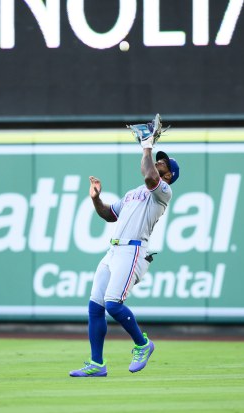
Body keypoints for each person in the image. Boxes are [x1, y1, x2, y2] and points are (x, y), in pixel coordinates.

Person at [69, 114, 180, 377]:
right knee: (95, 306)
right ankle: (97, 364)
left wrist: (147, 145)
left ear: (169, 175)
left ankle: (143, 344)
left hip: (133, 251)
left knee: (113, 304)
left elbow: (150, 176)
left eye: (163, 163)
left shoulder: (163, 191)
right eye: (158, 159)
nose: (158, 161)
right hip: (113, 250)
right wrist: (96, 199)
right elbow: (110, 215)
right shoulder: (133, 192)